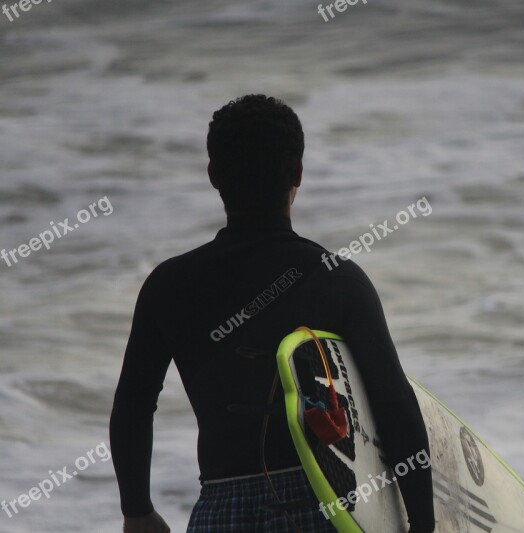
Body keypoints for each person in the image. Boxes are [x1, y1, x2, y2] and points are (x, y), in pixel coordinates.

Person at [109, 95, 435, 533]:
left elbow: (132, 404)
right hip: (324, 506)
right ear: (297, 173)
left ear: (213, 176)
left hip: (221, 513)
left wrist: (137, 510)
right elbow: (394, 405)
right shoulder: (337, 279)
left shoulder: (167, 286)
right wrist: (424, 522)